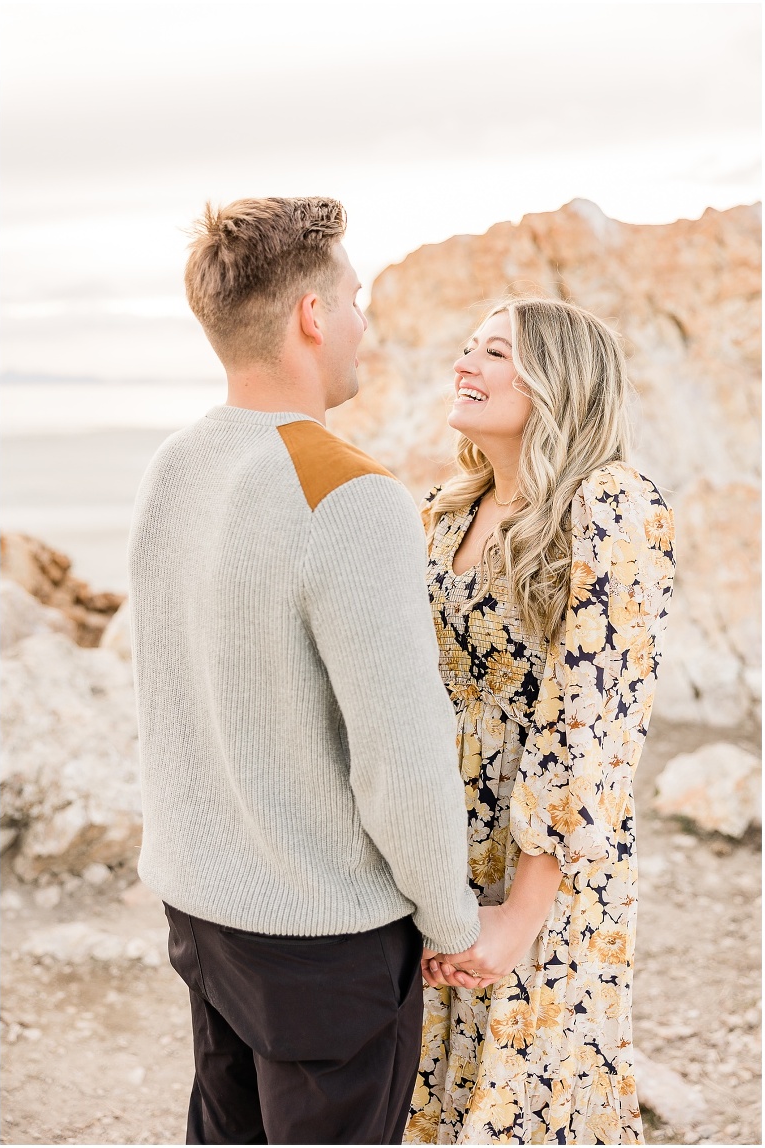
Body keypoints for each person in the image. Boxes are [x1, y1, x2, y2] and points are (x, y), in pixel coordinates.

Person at [128, 196, 480, 1146]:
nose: (365, 322)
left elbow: (168, 689)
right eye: (354, 298)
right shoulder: (352, 492)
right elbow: (400, 754)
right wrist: (452, 920)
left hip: (203, 909)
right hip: (323, 939)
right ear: (312, 317)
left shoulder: (176, 465)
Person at [405, 297, 675, 1145]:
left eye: (495, 352)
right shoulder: (447, 510)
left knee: (524, 1094)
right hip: (439, 841)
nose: (466, 363)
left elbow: (591, 725)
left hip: (547, 863)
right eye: (466, 346)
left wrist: (518, 918)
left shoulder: (613, 505)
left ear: (560, 381)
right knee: (432, 1086)